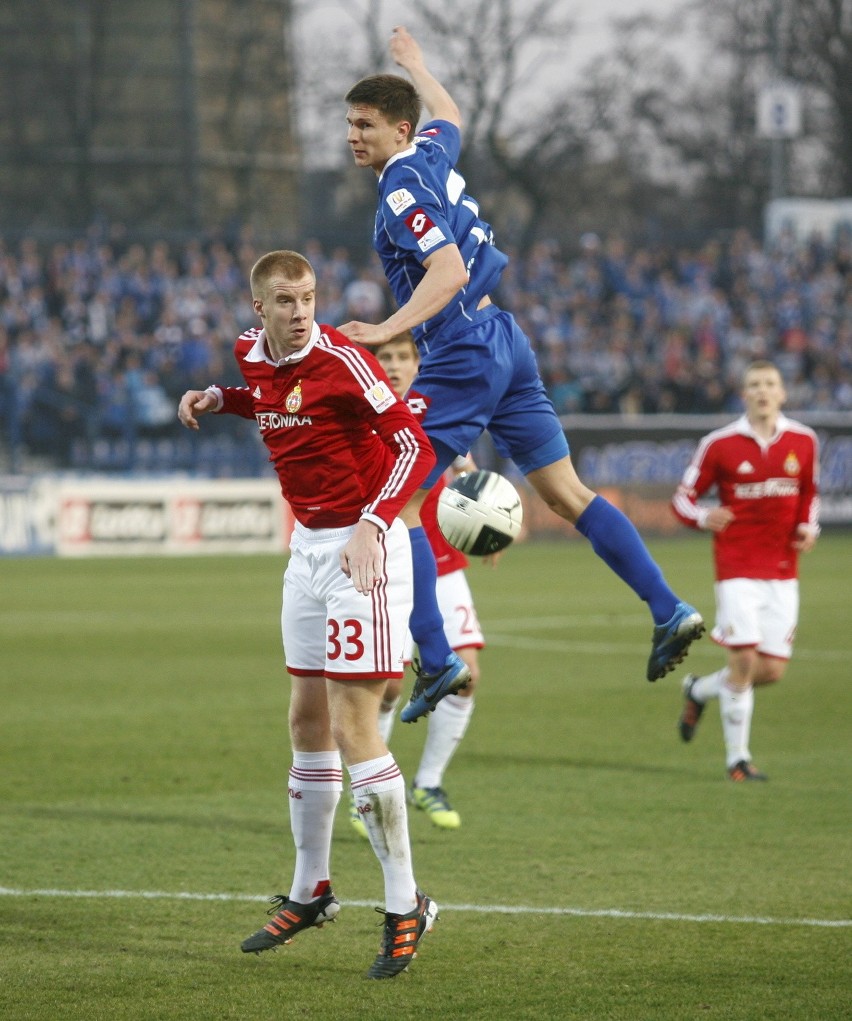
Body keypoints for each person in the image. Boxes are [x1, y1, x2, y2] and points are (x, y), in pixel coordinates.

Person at [339, 25, 704, 715]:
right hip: (506, 336)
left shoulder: (397, 192)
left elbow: (444, 271)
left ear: (398, 129)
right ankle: (667, 608)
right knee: (567, 493)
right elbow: (452, 115)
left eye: (365, 124)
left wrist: (386, 329)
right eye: (349, 123)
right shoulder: (429, 150)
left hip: (462, 351)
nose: (353, 135)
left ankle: (438, 660)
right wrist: (416, 65)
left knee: (394, 502)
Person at [177, 250, 439, 978]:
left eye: (309, 296)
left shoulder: (344, 360)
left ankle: (403, 902)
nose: (301, 310)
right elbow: (264, 398)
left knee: (358, 728)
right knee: (306, 722)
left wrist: (374, 523)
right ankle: (311, 889)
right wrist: (216, 398)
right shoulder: (250, 357)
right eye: (287, 300)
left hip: (365, 552)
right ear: (259, 309)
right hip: (308, 553)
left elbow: (413, 445)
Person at [349, 332, 484, 836]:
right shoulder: (365, 417)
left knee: (467, 675)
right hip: (387, 563)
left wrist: (486, 530)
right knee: (386, 687)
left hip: (442, 562)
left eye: (405, 357)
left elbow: (468, 478)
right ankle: (364, 796)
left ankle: (428, 782)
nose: (398, 365)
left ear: (417, 363)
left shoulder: (439, 411)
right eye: (387, 357)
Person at [671, 361, 820, 781]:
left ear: (783, 393)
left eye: (770, 384)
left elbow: (810, 493)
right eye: (754, 384)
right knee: (742, 663)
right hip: (736, 568)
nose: (762, 391)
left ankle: (699, 690)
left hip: (783, 570)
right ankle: (738, 761)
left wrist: (809, 526)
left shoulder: (804, 441)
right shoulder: (719, 444)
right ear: (744, 394)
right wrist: (703, 517)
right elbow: (682, 499)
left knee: (769, 670)